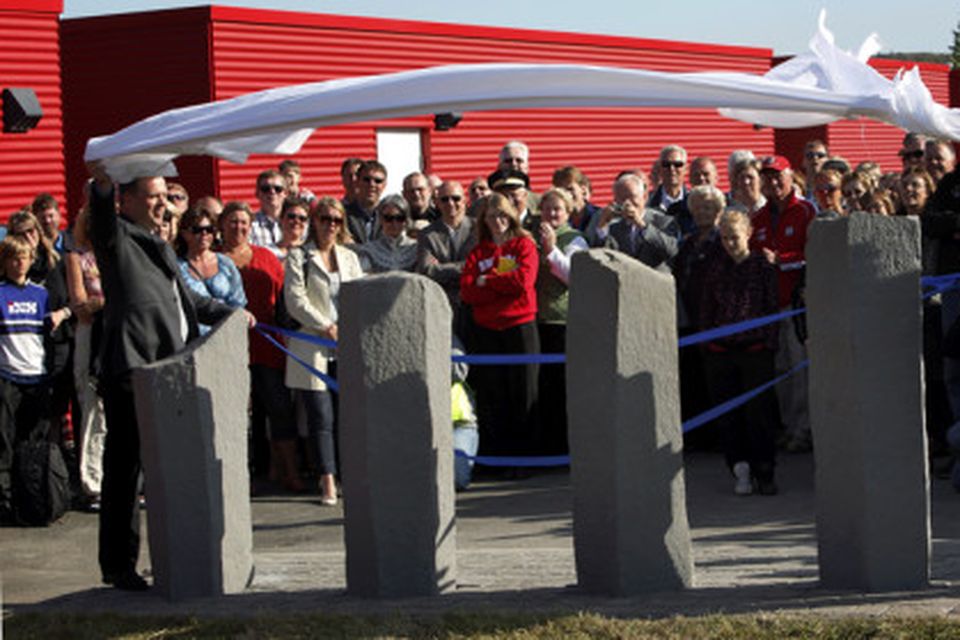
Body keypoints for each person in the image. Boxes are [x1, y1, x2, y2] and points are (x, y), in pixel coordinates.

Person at [86, 163, 241, 591]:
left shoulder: (161, 246)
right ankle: (118, 566)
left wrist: (233, 313)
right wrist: (100, 185)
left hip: (168, 370)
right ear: (128, 199)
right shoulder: (117, 236)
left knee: (165, 470)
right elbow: (100, 217)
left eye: (167, 196)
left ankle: (168, 559)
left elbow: (187, 299)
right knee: (126, 471)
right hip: (132, 369)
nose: (163, 204)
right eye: (152, 196)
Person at [283, 197, 362, 505]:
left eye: (336, 220)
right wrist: (326, 325)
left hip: (347, 345)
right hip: (313, 343)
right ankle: (326, 478)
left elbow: (360, 294)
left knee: (348, 414)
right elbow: (295, 300)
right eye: (325, 219)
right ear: (314, 221)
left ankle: (348, 473)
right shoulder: (299, 257)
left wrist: (348, 328)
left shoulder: (350, 258)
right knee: (320, 415)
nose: (330, 225)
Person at [220, 201, 302, 492]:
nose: (239, 227)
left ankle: (288, 471)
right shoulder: (215, 259)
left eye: (243, 222)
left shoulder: (266, 257)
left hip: (267, 345)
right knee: (239, 416)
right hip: (229, 349)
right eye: (232, 221)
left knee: (279, 409)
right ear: (222, 225)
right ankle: (243, 475)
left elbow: (282, 301)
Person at [700, 211, 780, 495]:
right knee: (729, 415)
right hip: (721, 351)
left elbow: (772, 308)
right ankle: (739, 467)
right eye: (724, 238)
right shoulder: (714, 267)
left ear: (748, 234)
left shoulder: (762, 265)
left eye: (734, 237)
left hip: (755, 349)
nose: (730, 243)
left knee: (758, 414)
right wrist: (708, 344)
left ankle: (765, 470)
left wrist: (769, 344)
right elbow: (707, 308)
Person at [460, 193, 539, 468]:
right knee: (494, 394)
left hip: (520, 326)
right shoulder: (478, 252)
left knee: (524, 393)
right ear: (484, 220)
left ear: (512, 216)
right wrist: (497, 283)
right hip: (487, 329)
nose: (498, 221)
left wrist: (487, 280)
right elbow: (468, 292)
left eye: (503, 215)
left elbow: (523, 282)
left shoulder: (524, 245)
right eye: (492, 216)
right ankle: (499, 458)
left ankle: (524, 459)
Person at [0, 235, 68, 524]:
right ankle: (4, 502)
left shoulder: (41, 294)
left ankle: (31, 498)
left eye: (24, 258)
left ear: (31, 260)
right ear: (4, 262)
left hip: (37, 378)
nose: (19, 263)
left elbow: (68, 311)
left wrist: (62, 314)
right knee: (3, 442)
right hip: (6, 377)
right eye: (13, 258)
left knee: (32, 443)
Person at [750, 155, 816, 454]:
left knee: (801, 370)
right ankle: (790, 427)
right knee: (781, 371)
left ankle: (804, 430)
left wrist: (782, 261)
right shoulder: (759, 218)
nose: (773, 182)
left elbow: (814, 257)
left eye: (778, 176)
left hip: (797, 306)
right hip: (770, 309)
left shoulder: (805, 211)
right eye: (767, 177)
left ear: (791, 177)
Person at [535, 188, 587, 455]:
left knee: (561, 386)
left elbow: (572, 276)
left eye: (557, 209)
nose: (551, 214)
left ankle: (565, 447)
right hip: (537, 319)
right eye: (547, 209)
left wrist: (551, 248)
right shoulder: (532, 237)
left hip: (562, 321)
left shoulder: (576, 239)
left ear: (567, 213)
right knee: (543, 387)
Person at [65, 206, 107, 511]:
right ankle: (93, 483)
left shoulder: (118, 253)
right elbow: (80, 305)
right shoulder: (76, 256)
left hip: (119, 334)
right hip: (91, 337)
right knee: (93, 409)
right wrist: (108, 302)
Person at [416, 181, 477, 340]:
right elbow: (427, 271)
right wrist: (466, 267)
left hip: (476, 307)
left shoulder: (479, 229)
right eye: (444, 199)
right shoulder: (427, 235)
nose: (451, 203)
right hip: (443, 307)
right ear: (436, 203)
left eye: (456, 198)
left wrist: (442, 268)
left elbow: (479, 267)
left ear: (465, 200)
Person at [176, 208, 247, 334]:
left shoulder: (225, 263)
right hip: (194, 338)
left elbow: (238, 302)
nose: (204, 234)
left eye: (209, 230)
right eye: (197, 230)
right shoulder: (177, 267)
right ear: (184, 234)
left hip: (227, 335)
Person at [598, 173, 679, 272]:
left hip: (657, 282)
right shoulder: (615, 228)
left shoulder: (663, 221)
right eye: (622, 199)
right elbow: (601, 255)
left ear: (644, 197)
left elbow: (671, 250)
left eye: (632, 197)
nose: (627, 203)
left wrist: (641, 225)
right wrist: (602, 225)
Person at [352, 194, 418, 273]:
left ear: (406, 220)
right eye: (388, 218)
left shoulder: (416, 248)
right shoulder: (370, 251)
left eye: (400, 218)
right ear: (380, 219)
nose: (394, 223)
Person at [346, 160, 387, 244]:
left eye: (378, 181)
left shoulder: (392, 216)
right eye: (366, 180)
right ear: (357, 181)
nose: (372, 184)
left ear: (384, 185)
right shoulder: (343, 215)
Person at [250, 169, 289, 256]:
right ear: (257, 194)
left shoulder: (297, 222)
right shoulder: (249, 225)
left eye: (278, 189)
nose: (272, 192)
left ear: (286, 193)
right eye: (266, 189)